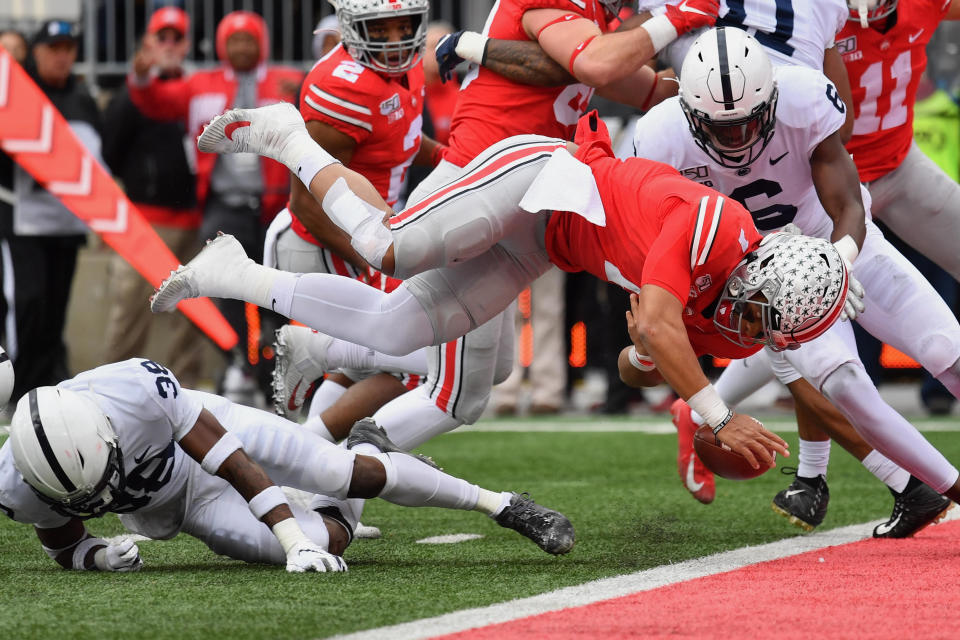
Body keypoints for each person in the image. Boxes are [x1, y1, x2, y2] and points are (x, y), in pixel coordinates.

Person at [153, 101, 858, 469]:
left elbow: (636, 366)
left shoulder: (736, 315)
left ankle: (233, 273)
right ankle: (287, 136)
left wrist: (647, 354)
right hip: (535, 182)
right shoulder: (714, 222)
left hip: (545, 247)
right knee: (387, 246)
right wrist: (713, 411)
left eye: (770, 327)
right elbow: (675, 330)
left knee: (398, 330)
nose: (756, 330)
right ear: (761, 274)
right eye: (764, 315)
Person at [632, 27, 956, 536]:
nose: (735, 139)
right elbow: (660, 240)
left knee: (947, 349)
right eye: (721, 127)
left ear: (771, 99)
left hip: (837, 241)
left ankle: (816, 475)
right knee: (843, 383)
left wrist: (838, 261)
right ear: (689, 111)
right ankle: (942, 490)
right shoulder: (658, 137)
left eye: (747, 123)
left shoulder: (803, 95)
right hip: (755, 279)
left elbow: (848, 203)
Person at [0, 358, 575, 573]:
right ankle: (368, 448)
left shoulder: (132, 390)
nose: (103, 496)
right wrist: (99, 555)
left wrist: (284, 528)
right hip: (184, 505)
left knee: (343, 475)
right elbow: (63, 547)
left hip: (219, 440)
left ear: (108, 434)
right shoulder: (18, 483)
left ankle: (500, 504)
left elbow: (230, 459)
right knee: (324, 541)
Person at [756, 0, 960, 528]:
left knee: (935, 341)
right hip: (819, 195)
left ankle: (811, 473)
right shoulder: (808, 17)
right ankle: (816, 473)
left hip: (894, 166)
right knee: (808, 346)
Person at [266, 0, 442, 447]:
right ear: (350, 26)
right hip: (323, 241)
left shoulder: (404, 69)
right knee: (406, 366)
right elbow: (307, 201)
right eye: (380, 29)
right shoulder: (341, 88)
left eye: (404, 25)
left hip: (370, 232)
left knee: (361, 369)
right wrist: (374, 258)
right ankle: (307, 455)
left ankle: (321, 481)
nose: (395, 38)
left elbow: (395, 136)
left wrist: (449, 157)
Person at [128, 10, 304, 406]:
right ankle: (240, 363)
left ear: (263, 43)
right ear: (222, 46)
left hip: (275, 205)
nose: (242, 48)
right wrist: (141, 79)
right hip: (225, 203)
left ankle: (275, 372)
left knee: (277, 290)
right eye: (234, 41)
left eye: (249, 40)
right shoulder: (201, 84)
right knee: (224, 292)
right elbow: (159, 102)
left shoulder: (285, 81)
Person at [101, 6, 205, 389]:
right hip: (146, 218)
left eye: (177, 37)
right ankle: (110, 387)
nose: (169, 45)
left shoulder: (196, 90)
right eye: (162, 37)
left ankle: (188, 393)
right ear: (148, 41)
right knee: (129, 308)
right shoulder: (132, 92)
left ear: (187, 43)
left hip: (195, 218)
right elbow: (110, 150)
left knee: (193, 312)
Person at [0, 20, 101, 409]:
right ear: (36, 52)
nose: (61, 56)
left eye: (68, 48)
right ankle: (16, 387)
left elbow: (99, 161)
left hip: (66, 222)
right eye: (53, 48)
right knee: (28, 301)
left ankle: (46, 389)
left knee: (57, 307)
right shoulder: (18, 95)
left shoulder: (83, 99)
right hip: (22, 218)